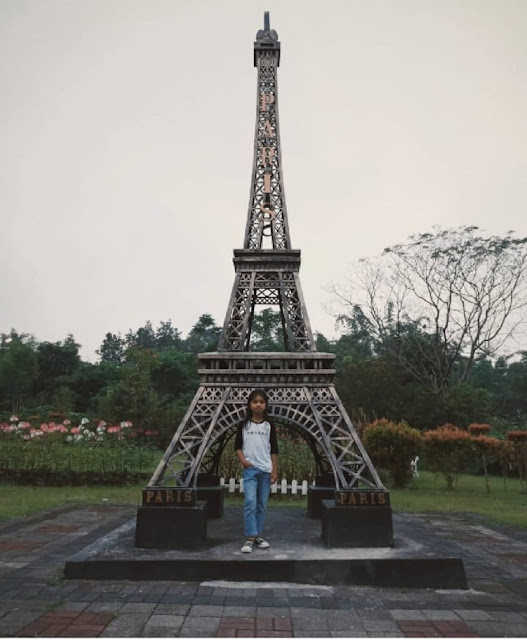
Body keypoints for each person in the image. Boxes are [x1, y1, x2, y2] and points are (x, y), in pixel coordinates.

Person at [234, 389, 279, 553]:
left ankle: (256, 535)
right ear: (249, 405)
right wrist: (243, 461)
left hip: (265, 470)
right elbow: (237, 446)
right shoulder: (243, 425)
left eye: (261, 401)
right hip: (250, 469)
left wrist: (275, 471)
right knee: (250, 502)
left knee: (262, 504)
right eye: (255, 401)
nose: (258, 404)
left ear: (266, 405)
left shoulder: (269, 425)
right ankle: (250, 537)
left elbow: (274, 449)